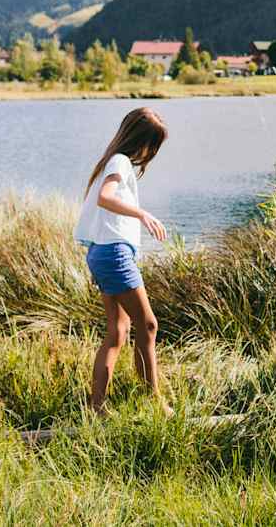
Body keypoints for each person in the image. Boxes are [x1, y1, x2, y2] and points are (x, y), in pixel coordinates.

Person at [75, 107, 170, 412]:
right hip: (112, 254)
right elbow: (106, 196)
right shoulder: (120, 162)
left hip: (104, 253)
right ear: (142, 141)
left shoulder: (114, 160)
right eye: (152, 145)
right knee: (149, 326)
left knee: (118, 331)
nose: (151, 153)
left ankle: (97, 407)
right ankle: (154, 403)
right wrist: (142, 213)